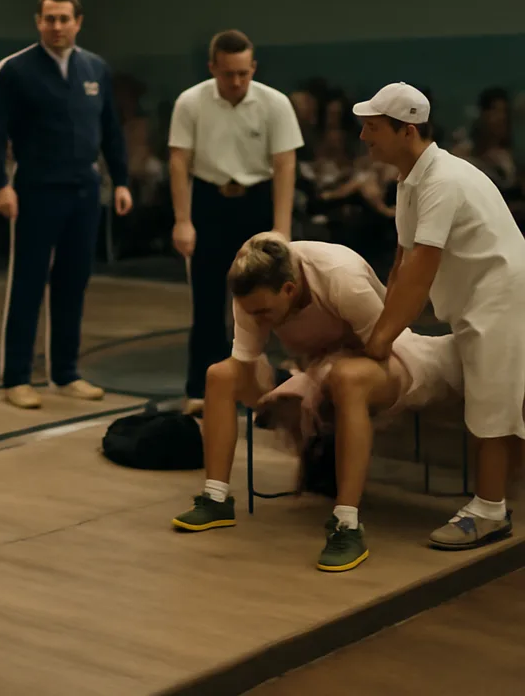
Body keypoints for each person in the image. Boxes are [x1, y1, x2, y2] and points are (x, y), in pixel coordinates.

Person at [172, 232, 462, 571]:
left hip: (388, 354)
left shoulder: (341, 276)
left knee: (346, 378)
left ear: (290, 289)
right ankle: (216, 497)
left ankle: (347, 524)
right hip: (313, 364)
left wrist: (315, 383)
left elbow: (381, 348)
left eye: (264, 312)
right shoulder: (251, 289)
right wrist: (280, 400)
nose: (258, 320)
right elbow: (247, 365)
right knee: (220, 375)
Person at [354, 81, 525, 549]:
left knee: (492, 409)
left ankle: (490, 512)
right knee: (500, 403)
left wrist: (381, 341)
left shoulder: (444, 181)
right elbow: (401, 264)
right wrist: (379, 327)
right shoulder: (412, 181)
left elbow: (421, 272)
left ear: (405, 131)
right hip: (480, 300)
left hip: (501, 299)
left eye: (373, 127)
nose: (364, 136)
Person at [0, 0, 132, 409]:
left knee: (73, 282)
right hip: (35, 190)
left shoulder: (95, 69)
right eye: (49, 19)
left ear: (78, 22)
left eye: (65, 19)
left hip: (84, 190)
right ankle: (17, 377)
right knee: (28, 283)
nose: (57, 26)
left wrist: (121, 180)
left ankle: (65, 373)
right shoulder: (14, 71)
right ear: (38, 22)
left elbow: (111, 131)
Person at [168, 30, 304, 411]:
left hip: (257, 201)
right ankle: (200, 390)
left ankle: (268, 389)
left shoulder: (274, 103)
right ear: (213, 67)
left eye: (244, 73)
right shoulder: (190, 102)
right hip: (209, 201)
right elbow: (179, 160)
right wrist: (183, 220)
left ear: (253, 67)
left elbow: (284, 164)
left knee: (268, 302)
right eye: (228, 73)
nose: (236, 81)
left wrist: (281, 228)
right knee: (207, 302)